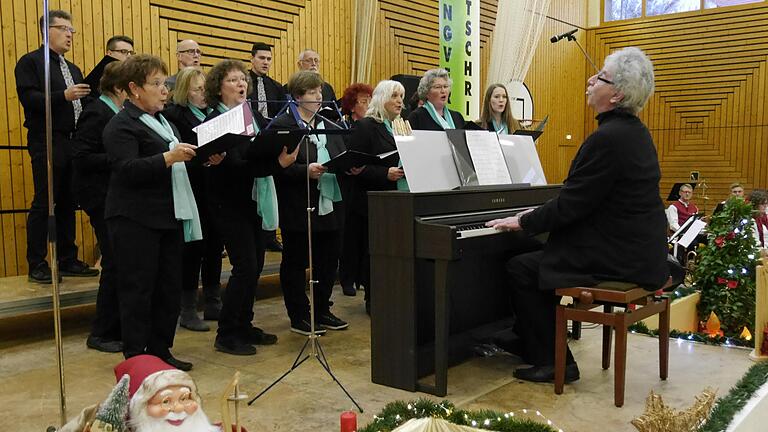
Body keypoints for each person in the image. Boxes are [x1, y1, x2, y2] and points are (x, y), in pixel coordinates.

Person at [486, 47, 669, 383]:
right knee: (531, 252)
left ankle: (554, 361)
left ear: (616, 95)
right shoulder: (633, 132)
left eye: (600, 77)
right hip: (635, 247)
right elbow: (584, 198)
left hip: (621, 255)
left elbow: (572, 205)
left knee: (521, 266)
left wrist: (524, 220)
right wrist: (537, 217)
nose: (590, 79)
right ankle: (525, 332)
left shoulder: (608, 139)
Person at [104, 54, 221, 370]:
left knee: (168, 288)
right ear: (134, 88)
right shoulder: (121, 124)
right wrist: (169, 158)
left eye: (164, 83)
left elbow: (174, 158)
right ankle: (137, 358)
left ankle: (160, 350)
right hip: (134, 219)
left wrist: (203, 157)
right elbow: (126, 169)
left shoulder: (162, 120)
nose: (164, 90)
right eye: (156, 84)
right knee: (138, 290)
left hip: (167, 216)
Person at [204, 59, 298, 355]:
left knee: (255, 266)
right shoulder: (214, 121)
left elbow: (255, 154)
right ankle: (227, 333)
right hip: (228, 201)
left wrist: (277, 156)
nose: (241, 84)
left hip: (254, 199)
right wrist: (277, 164)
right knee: (244, 267)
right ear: (219, 88)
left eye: (243, 79)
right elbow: (235, 166)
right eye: (232, 80)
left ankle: (244, 324)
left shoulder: (252, 114)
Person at [15, 9, 99, 284]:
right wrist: (63, 95)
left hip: (73, 140)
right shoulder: (30, 62)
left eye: (72, 30)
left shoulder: (73, 69)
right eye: (64, 29)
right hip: (48, 138)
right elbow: (29, 99)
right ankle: (37, 262)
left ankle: (66, 258)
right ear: (46, 30)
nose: (70, 35)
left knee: (67, 200)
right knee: (45, 200)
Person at [273, 70, 349, 335]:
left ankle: (322, 309)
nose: (319, 97)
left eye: (320, 92)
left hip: (330, 201)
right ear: (297, 96)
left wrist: (349, 165)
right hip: (298, 203)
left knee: (328, 260)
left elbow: (341, 153)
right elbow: (276, 167)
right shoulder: (285, 124)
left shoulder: (329, 124)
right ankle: (299, 315)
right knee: (295, 261)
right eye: (312, 92)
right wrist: (304, 171)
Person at [163, 67, 224, 332]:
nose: (204, 94)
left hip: (213, 188)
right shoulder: (175, 116)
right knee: (192, 250)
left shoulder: (214, 115)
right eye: (198, 89)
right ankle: (187, 308)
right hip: (190, 188)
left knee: (214, 245)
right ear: (185, 91)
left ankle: (213, 300)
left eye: (206, 89)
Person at [72, 62, 127, 353]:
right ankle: (102, 331)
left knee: (121, 261)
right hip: (100, 196)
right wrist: (120, 157)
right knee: (114, 261)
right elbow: (81, 156)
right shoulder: (96, 111)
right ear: (120, 88)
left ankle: (116, 326)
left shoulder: (118, 112)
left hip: (116, 195)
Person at [345, 80, 406, 312]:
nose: (400, 101)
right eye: (394, 96)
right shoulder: (367, 126)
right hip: (372, 201)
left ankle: (392, 294)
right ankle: (374, 299)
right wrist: (384, 173)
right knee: (375, 253)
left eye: (401, 96)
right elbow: (354, 167)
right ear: (382, 99)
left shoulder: (400, 125)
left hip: (398, 198)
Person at [246, 42, 286, 253]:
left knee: (273, 187)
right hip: (251, 136)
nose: (265, 62)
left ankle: (270, 234)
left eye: (269, 59)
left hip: (270, 137)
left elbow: (281, 113)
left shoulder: (276, 87)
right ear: (252, 58)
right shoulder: (245, 81)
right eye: (261, 58)